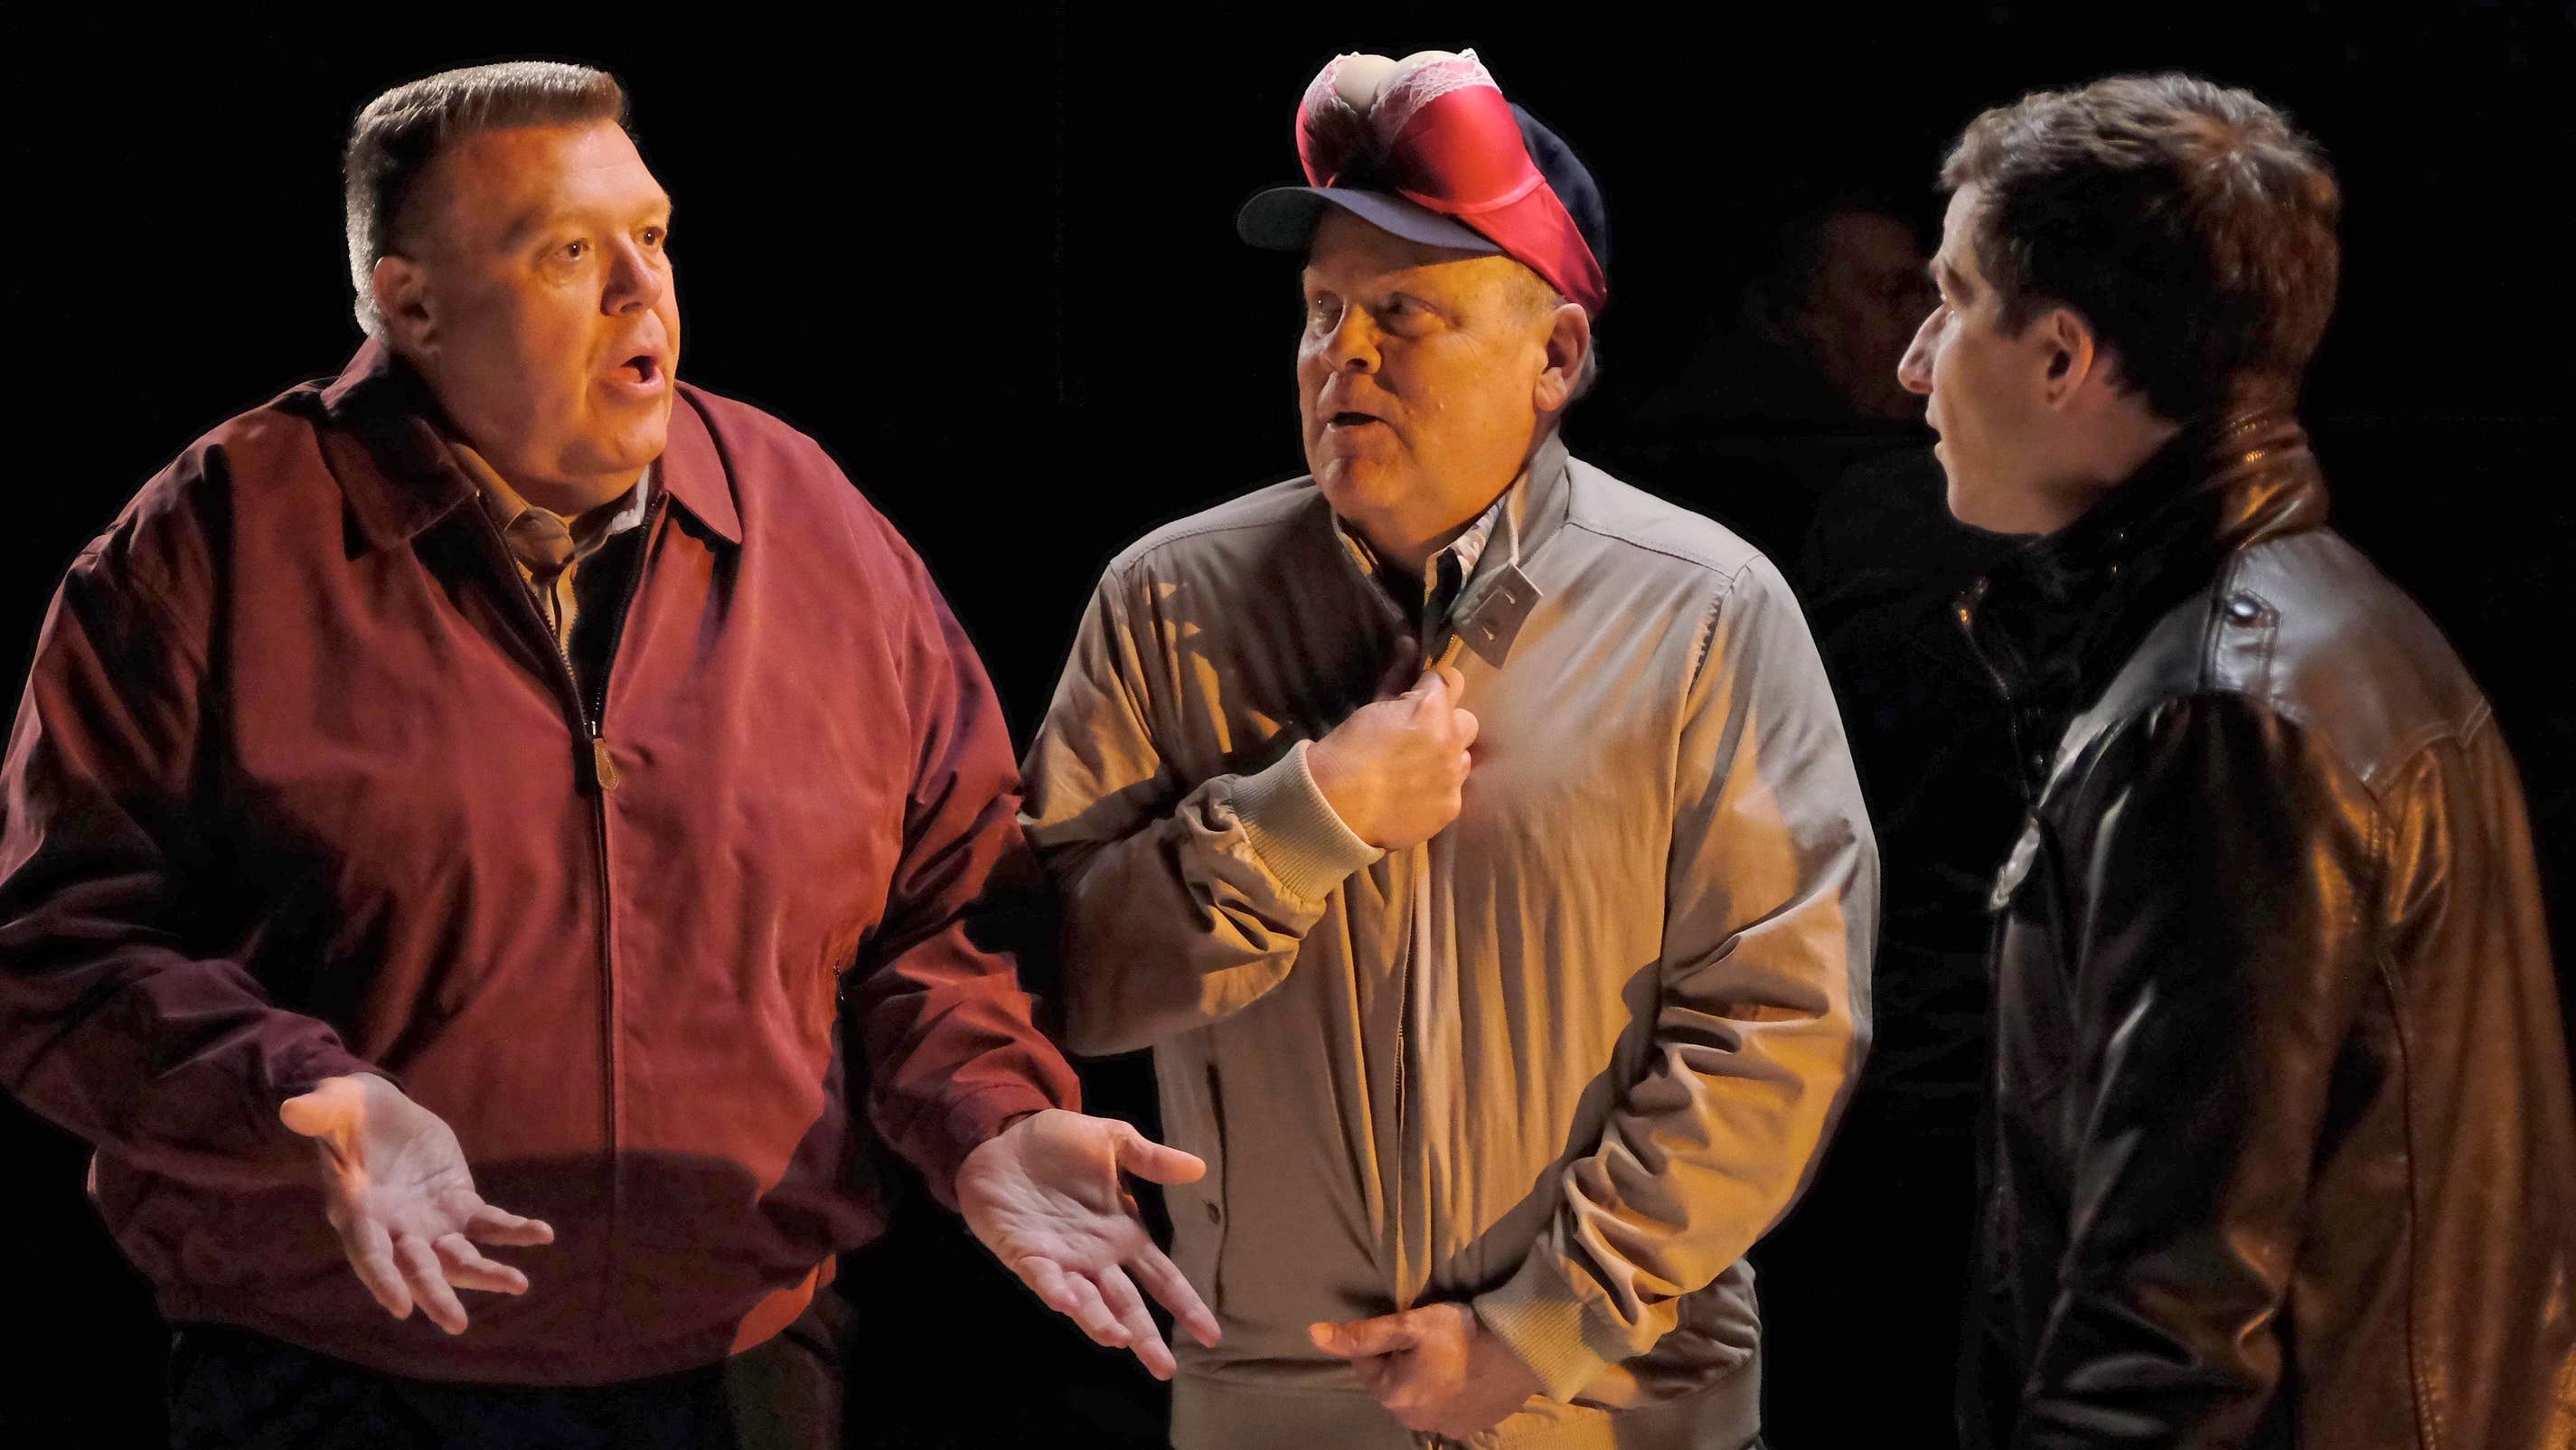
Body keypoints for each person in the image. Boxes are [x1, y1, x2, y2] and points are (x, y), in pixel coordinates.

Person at [0, 60, 1216, 1450]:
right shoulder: (213, 547)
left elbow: (946, 912)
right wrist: (300, 1094)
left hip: (742, 1375)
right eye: (569, 253)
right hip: (338, 1374)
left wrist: (990, 1115)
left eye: (652, 235)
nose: (644, 290)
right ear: (409, 305)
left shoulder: (814, 527)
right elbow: (56, 946)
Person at [1020, 49, 1874, 1450]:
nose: (1341, 355)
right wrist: (1297, 825)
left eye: (1401, 312)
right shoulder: (1166, 601)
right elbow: (1052, 973)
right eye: (1321, 312)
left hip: (1604, 1406)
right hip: (1286, 1403)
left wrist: (1544, 1326)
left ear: (1555, 358)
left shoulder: (1705, 612)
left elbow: (1780, 1018)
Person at [1899, 72, 2576, 1448]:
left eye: (1954, 299)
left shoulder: (2220, 722)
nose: (1914, 362)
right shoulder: (2335, 634)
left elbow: (2168, 1338)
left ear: (2061, 357)